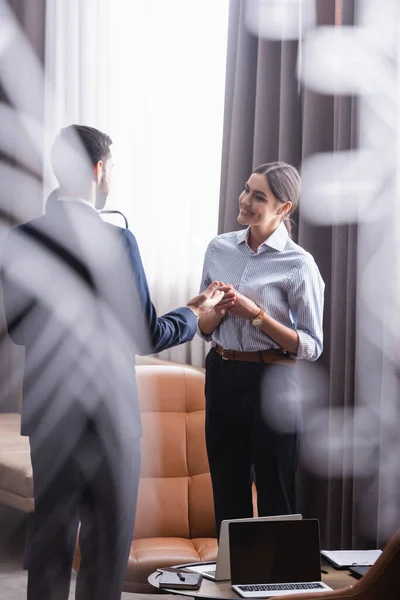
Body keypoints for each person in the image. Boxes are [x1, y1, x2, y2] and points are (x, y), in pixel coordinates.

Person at [1, 124, 223, 600]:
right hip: (109, 415)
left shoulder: (20, 239)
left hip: (50, 413)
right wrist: (194, 312)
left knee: (50, 540)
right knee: (106, 542)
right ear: (100, 171)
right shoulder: (118, 242)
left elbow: (19, 332)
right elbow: (145, 335)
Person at [197, 162, 324, 536]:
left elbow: (311, 346)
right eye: (246, 189)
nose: (245, 200)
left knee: (276, 495)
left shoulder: (299, 264)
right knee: (228, 491)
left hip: (274, 382)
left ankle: (279, 591)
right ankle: (232, 589)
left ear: (284, 208)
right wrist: (215, 312)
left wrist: (255, 314)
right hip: (221, 373)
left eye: (259, 196)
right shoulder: (218, 248)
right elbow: (204, 329)